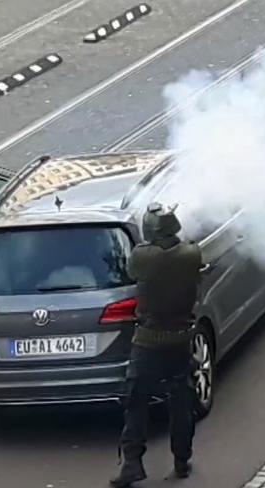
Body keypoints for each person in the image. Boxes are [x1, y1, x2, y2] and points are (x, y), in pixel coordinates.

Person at [110, 202, 203, 487]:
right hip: (180, 339)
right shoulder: (191, 253)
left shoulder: (142, 256)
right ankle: (181, 459)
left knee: (136, 402)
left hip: (148, 342)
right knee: (181, 402)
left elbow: (131, 270)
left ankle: (133, 463)